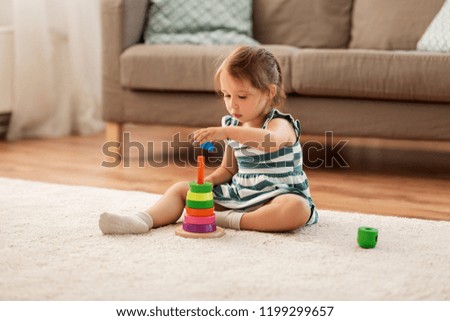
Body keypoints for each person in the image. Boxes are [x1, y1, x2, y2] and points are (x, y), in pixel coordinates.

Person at [99, 45, 318, 235]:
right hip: (241, 195)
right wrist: (209, 181)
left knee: (297, 209)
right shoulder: (232, 125)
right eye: (226, 95)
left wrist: (227, 133)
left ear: (269, 92)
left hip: (278, 196)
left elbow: (269, 141)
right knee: (181, 189)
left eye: (242, 96)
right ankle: (142, 220)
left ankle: (226, 220)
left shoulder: (280, 123)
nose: (233, 105)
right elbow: (229, 169)